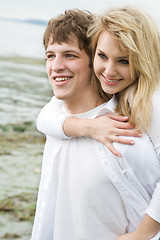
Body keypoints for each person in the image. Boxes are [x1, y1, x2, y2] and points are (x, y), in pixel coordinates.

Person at [35, 6, 160, 240]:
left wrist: (143, 233)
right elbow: (44, 118)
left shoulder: (143, 107)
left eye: (70, 55)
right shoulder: (60, 113)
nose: (55, 66)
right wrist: (88, 127)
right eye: (50, 56)